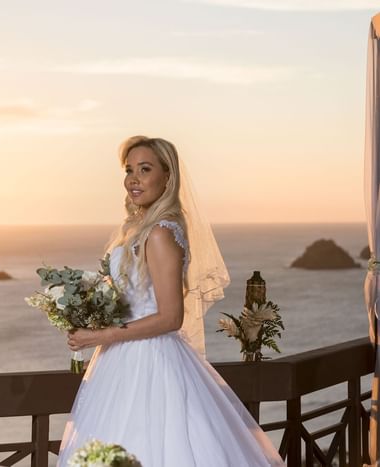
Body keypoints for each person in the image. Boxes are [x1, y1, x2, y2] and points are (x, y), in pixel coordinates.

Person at [56, 136, 285, 467]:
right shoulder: (138, 228)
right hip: (118, 360)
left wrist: (102, 336)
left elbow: (170, 317)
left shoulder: (161, 233)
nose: (133, 179)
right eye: (129, 170)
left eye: (145, 169)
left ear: (167, 176)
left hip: (149, 360)